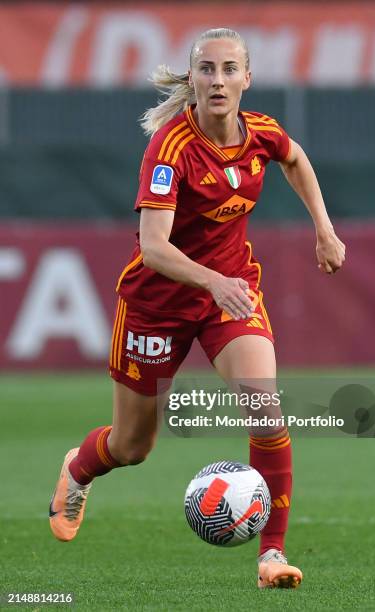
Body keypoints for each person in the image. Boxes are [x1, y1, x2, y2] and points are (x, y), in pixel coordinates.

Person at [49, 27, 345, 589]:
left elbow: (296, 159)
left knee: (265, 407)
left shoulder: (261, 133)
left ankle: (272, 556)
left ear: (247, 79)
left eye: (230, 69)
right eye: (206, 69)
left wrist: (324, 232)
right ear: (192, 79)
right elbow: (155, 246)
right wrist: (212, 281)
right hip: (156, 306)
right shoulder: (170, 149)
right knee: (131, 446)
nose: (218, 79)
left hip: (228, 296)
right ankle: (78, 467)